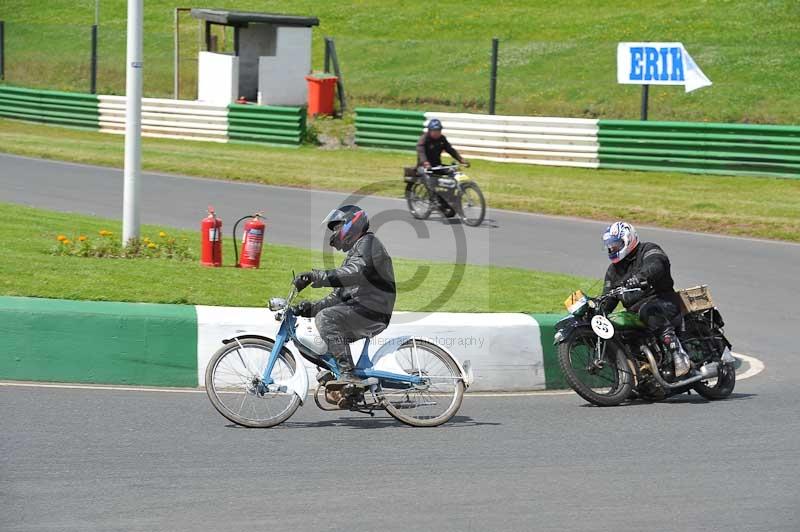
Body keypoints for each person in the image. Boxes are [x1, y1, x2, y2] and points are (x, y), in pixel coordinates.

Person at [291, 205, 396, 384]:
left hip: (373, 309)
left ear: (351, 223)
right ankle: (341, 376)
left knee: (327, 318)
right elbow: (338, 296)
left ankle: (348, 375)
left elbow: (355, 272)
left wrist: (316, 276)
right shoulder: (356, 252)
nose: (335, 233)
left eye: (337, 227)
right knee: (320, 323)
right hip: (361, 308)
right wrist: (310, 308)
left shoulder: (369, 244)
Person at [600, 221, 691, 377]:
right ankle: (635, 372)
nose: (612, 248)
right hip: (636, 313)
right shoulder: (613, 270)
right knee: (617, 326)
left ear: (628, 240)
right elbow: (608, 296)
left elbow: (657, 264)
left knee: (648, 310)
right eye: (610, 245)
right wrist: (597, 307)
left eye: (616, 245)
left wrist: (641, 277)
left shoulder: (648, 249)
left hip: (663, 301)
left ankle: (677, 352)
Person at [416, 118, 467, 196]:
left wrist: (461, 159)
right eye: (434, 131)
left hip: (437, 166)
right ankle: (432, 201)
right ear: (429, 130)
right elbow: (421, 151)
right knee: (431, 180)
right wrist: (425, 162)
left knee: (453, 172)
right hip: (424, 167)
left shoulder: (442, 139)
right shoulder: (424, 139)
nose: (437, 133)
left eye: (439, 131)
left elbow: (450, 150)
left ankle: (448, 197)